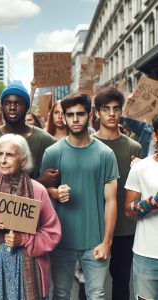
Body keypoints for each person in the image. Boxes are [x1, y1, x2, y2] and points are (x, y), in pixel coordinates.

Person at [0, 133, 61, 300]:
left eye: (10, 155)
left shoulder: (38, 191)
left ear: (23, 160)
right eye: (0, 154)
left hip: (26, 266)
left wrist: (23, 240)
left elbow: (53, 234)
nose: (3, 160)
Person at [40, 92, 119, 300]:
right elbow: (41, 191)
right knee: (60, 294)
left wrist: (107, 243)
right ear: (63, 117)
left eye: (80, 114)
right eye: (70, 114)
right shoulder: (52, 152)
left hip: (96, 241)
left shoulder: (105, 154)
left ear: (90, 115)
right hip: (61, 240)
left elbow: (111, 201)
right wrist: (54, 192)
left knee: (97, 295)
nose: (75, 119)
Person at [93, 87, 143, 300]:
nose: (111, 114)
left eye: (116, 109)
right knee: (91, 285)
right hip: (94, 227)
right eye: (106, 109)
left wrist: (143, 168)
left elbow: (142, 190)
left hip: (125, 227)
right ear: (97, 113)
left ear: (121, 112)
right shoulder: (88, 144)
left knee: (122, 283)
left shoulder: (135, 147)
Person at [0, 80, 58, 186]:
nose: (12, 108)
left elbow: (53, 183)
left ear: (27, 107)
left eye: (18, 103)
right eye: (7, 103)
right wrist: (40, 182)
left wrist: (1, 174)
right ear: (2, 107)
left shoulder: (47, 142)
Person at [125, 114, 158, 300]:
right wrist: (154, 202)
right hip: (147, 255)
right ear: (155, 136)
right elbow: (129, 210)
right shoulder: (141, 168)